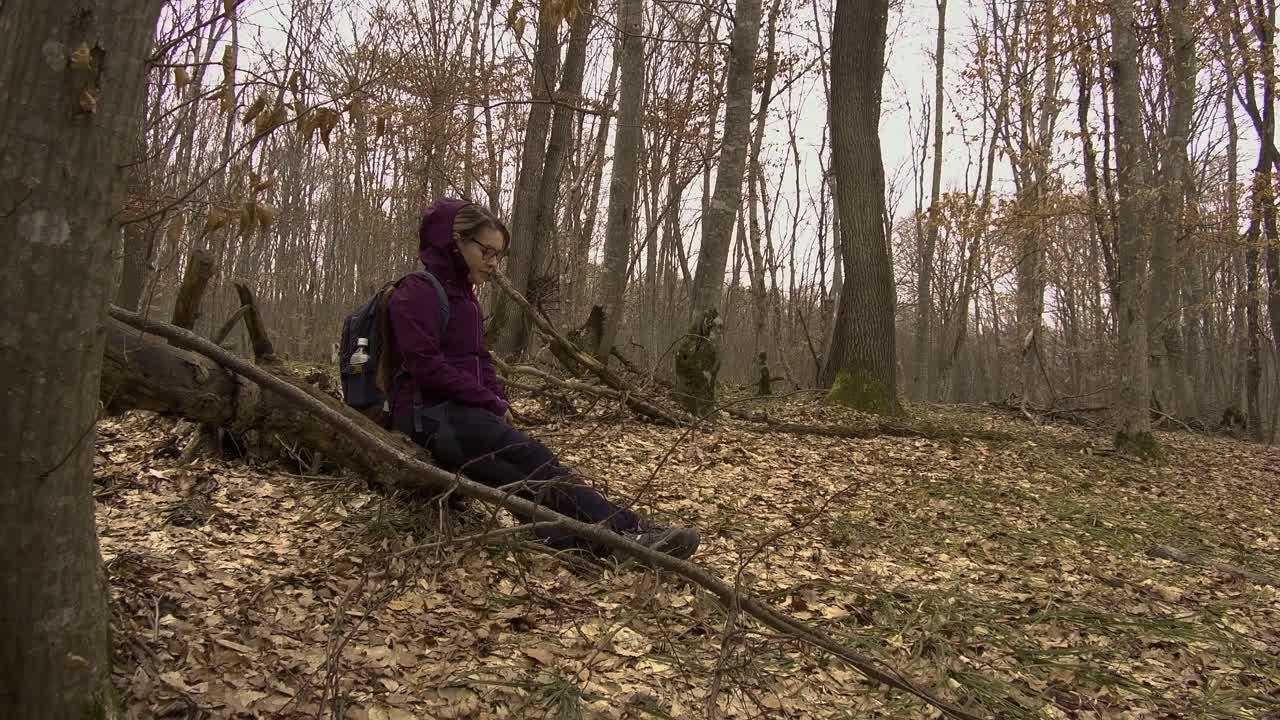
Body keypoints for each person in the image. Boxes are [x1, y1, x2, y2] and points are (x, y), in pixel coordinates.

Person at [385, 197, 700, 560]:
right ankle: (629, 531)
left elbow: (479, 359)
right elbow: (426, 367)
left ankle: (592, 548)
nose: (493, 263)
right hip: (427, 414)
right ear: (454, 241)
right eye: (486, 251)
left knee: (517, 479)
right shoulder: (417, 291)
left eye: (498, 255)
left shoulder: (465, 299)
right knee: (536, 460)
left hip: (462, 414)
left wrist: (498, 399)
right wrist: (487, 401)